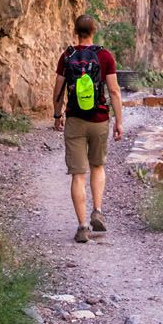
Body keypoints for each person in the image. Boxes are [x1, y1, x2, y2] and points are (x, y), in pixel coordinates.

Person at [52, 14, 123, 243]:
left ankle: (82, 227)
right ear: (94, 30)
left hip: (75, 120)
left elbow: (58, 89)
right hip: (99, 119)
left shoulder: (67, 55)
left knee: (78, 175)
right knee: (98, 166)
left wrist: (57, 115)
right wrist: (119, 121)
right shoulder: (104, 56)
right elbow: (113, 91)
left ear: (76, 31)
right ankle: (97, 211)